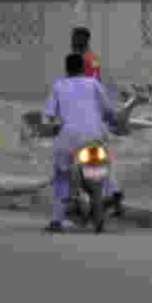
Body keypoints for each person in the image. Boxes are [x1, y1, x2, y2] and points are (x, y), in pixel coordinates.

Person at [42, 53, 121, 233]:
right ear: (84, 69)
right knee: (96, 176)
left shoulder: (58, 85)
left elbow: (50, 116)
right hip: (93, 137)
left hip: (69, 140)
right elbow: (108, 111)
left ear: (66, 69)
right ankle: (99, 217)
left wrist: (53, 126)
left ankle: (57, 219)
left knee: (62, 176)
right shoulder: (94, 84)